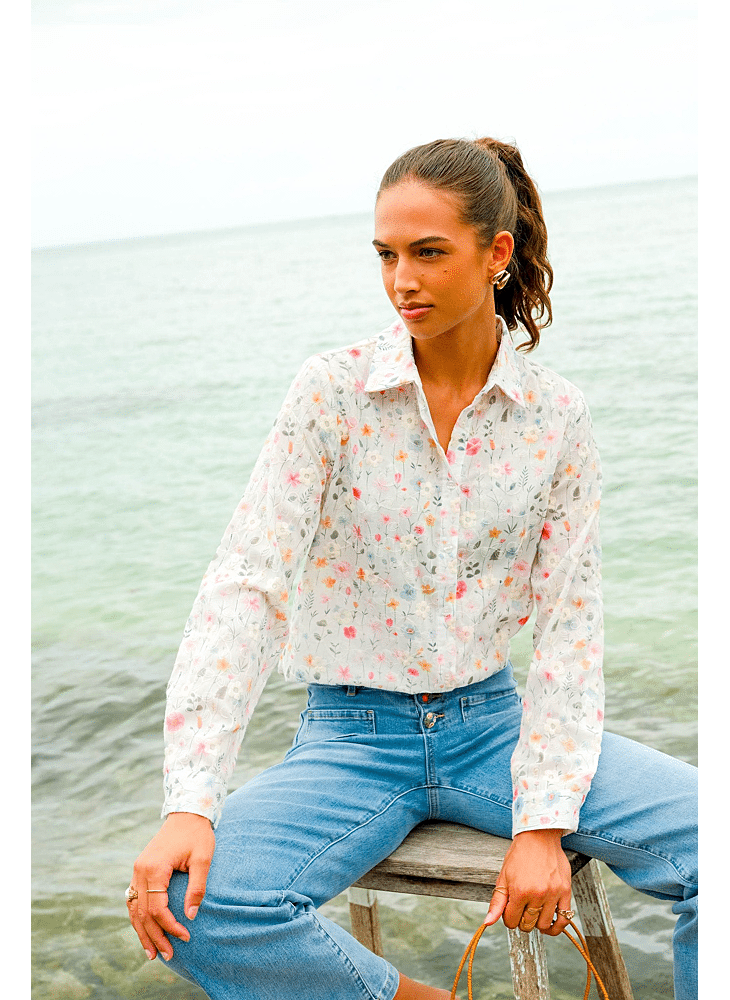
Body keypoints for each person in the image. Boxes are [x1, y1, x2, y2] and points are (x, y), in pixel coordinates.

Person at [127, 138, 697, 1000]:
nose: (403, 280)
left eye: (428, 252)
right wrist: (190, 803)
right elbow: (246, 589)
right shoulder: (332, 392)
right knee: (182, 906)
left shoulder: (555, 416)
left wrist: (543, 822)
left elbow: (570, 627)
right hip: (349, 739)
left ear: (496, 253)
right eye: (387, 255)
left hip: (494, 730)